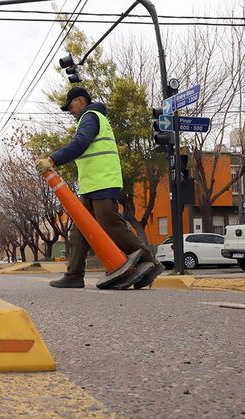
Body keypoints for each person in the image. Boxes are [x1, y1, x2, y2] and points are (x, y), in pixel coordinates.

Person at [35, 87, 164, 289]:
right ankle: (74, 275)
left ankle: (150, 261)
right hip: (91, 185)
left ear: (80, 100)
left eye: (70, 106)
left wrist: (53, 159)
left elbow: (80, 143)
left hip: (103, 182)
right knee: (79, 231)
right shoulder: (91, 118)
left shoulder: (91, 117)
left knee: (109, 223)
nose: (70, 111)